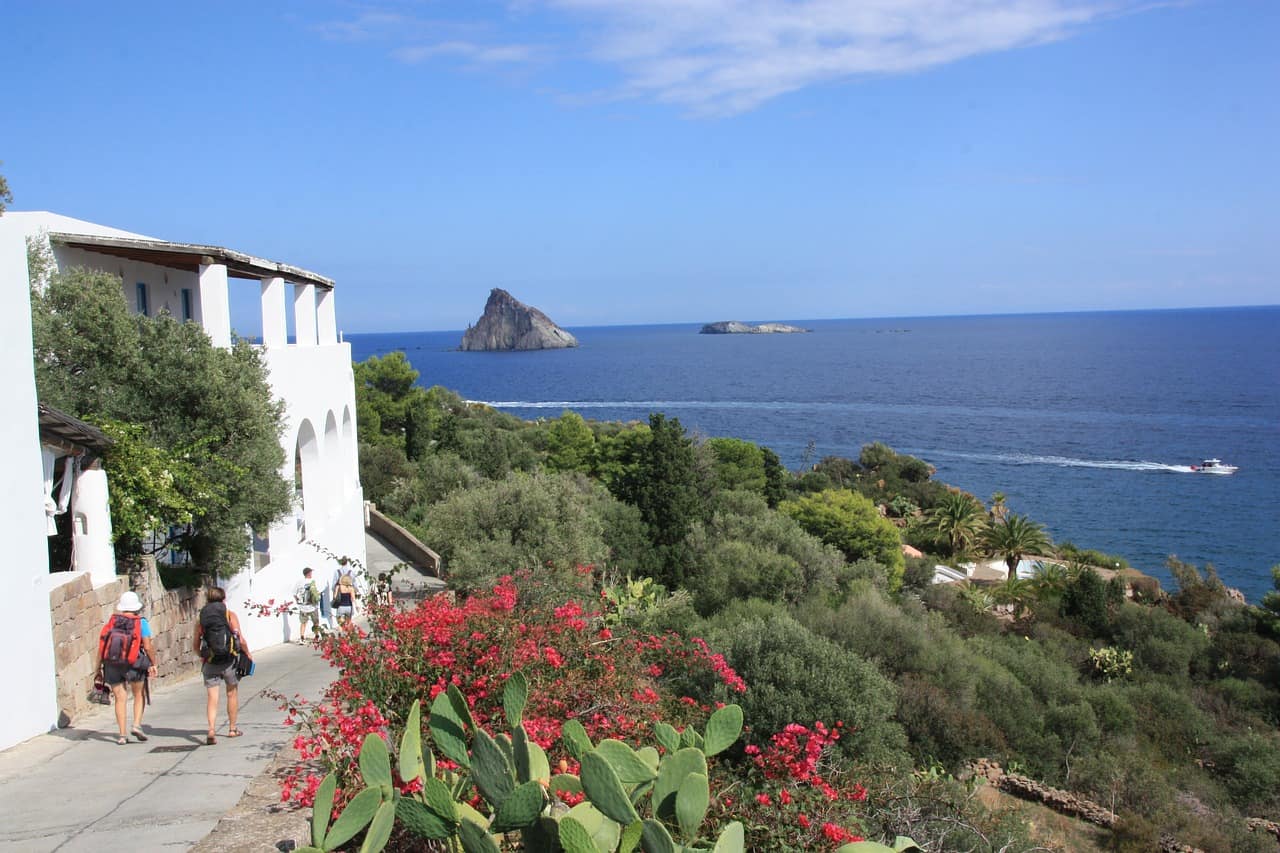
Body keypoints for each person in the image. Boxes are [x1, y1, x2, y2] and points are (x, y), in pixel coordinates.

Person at [96, 591, 158, 745]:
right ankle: (136, 725)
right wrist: (153, 663)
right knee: (139, 695)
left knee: (119, 698)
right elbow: (148, 646)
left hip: (112, 664)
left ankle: (122, 735)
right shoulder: (141, 622)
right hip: (134, 663)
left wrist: (97, 669)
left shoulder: (112, 622)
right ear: (136, 607)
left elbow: (102, 646)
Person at [194, 587, 250, 745]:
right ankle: (232, 729)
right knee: (232, 694)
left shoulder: (202, 619)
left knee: (212, 697)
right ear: (223, 599)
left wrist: (202, 655)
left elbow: (195, 644)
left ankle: (211, 729)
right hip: (229, 661)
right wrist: (248, 654)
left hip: (210, 662)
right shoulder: (229, 615)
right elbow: (240, 639)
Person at [292, 567, 321, 643]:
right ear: (309, 573)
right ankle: (317, 636)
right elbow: (318, 593)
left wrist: (298, 601)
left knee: (303, 623)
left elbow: (294, 593)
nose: (311, 574)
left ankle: (302, 638)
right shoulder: (313, 581)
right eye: (311, 572)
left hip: (303, 607)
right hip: (313, 606)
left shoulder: (299, 582)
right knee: (316, 622)